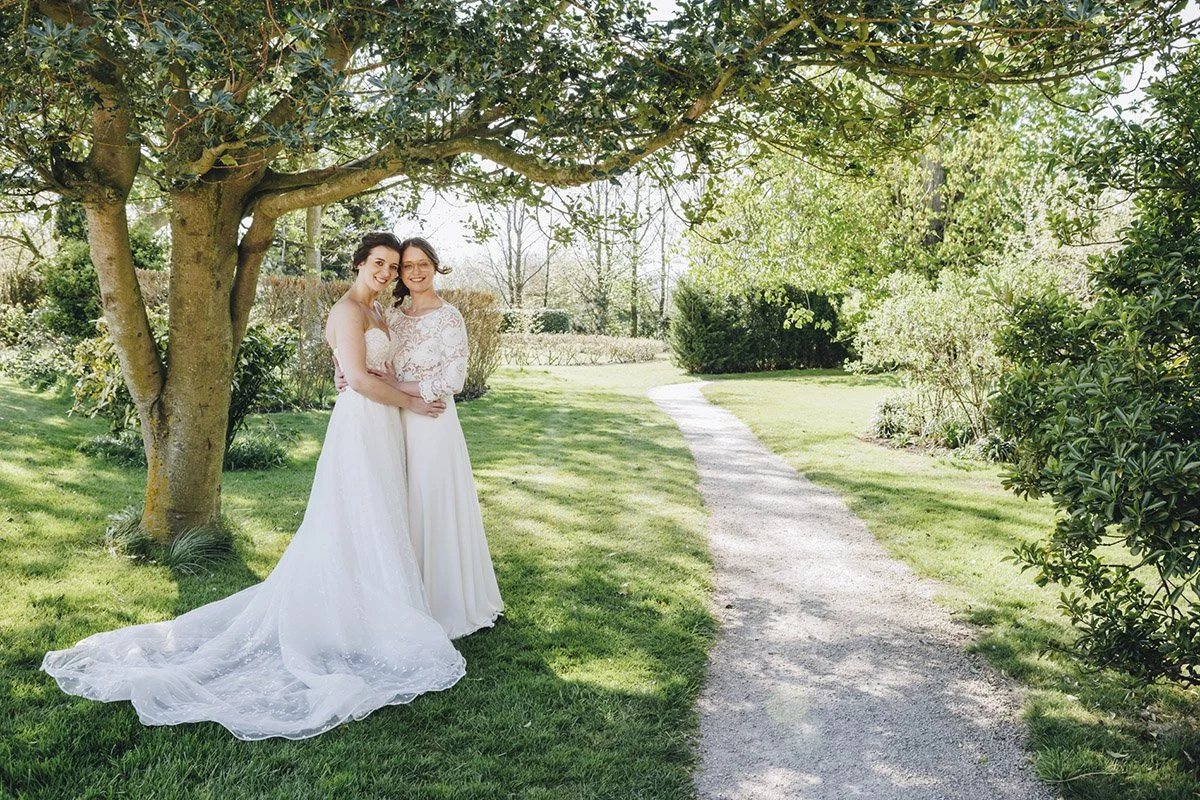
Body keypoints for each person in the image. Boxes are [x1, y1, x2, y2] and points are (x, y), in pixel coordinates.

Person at [41, 232, 465, 741]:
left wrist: (400, 391)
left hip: (383, 421)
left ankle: (371, 607)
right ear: (358, 263)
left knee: (377, 514)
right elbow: (359, 377)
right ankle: (349, 617)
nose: (387, 272)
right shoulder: (350, 312)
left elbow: (374, 371)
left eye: (393, 267)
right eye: (379, 263)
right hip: (363, 422)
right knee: (358, 512)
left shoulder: (378, 313)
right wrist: (415, 401)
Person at [339, 236, 504, 639]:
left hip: (431, 420)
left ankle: (443, 602)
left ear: (435, 266)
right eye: (405, 266)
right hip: (392, 419)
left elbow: (454, 379)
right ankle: (405, 598)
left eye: (421, 264)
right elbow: (371, 363)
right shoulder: (392, 314)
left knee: (431, 503)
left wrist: (403, 386)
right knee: (399, 504)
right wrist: (346, 373)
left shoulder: (449, 318)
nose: (413, 272)